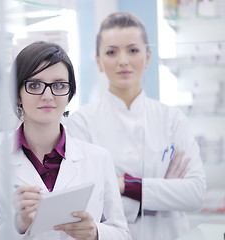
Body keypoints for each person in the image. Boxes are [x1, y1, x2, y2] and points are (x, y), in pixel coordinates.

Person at [66, 12, 207, 240]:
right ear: (99, 61)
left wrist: (124, 185)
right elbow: (89, 202)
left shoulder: (172, 119)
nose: (123, 60)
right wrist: (162, 193)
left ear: (148, 56)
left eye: (133, 50)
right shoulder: (81, 123)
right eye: (111, 52)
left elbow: (195, 194)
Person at [0, 41, 131, 240]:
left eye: (58, 85)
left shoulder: (98, 158)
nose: (48, 96)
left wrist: (96, 233)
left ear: (69, 93)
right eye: (35, 85)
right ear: (17, 94)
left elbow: (122, 233)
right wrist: (18, 225)